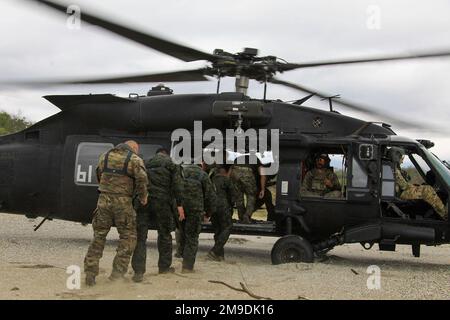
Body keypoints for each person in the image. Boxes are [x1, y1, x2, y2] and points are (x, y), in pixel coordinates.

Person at [84, 140, 148, 286]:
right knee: (128, 238)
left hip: (103, 200)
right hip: (123, 203)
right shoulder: (134, 159)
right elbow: (142, 179)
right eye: (136, 149)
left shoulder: (104, 157)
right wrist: (143, 197)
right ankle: (117, 275)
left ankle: (90, 273)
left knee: (98, 237)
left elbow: (99, 175)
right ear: (133, 148)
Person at [131, 148, 184, 282]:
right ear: (166, 154)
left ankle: (138, 272)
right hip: (162, 202)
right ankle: (164, 267)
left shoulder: (145, 162)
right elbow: (178, 186)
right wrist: (180, 206)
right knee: (165, 234)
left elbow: (137, 181)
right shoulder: (172, 164)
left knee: (140, 237)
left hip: (143, 201)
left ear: (156, 154)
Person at [390, 147, 448, 221]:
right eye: (402, 158)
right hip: (401, 194)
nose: (402, 161)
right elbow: (404, 186)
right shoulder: (394, 169)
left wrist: (416, 186)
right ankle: (445, 216)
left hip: (401, 192)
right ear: (397, 157)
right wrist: (418, 187)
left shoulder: (394, 168)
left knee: (424, 187)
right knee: (427, 190)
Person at [180, 161, 216, 273]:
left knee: (182, 234)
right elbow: (211, 196)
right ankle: (187, 267)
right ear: (201, 165)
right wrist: (209, 213)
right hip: (195, 211)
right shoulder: (203, 175)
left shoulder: (180, 172)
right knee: (192, 237)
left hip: (180, 209)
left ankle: (181, 255)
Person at [208, 165, 237, 261]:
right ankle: (215, 251)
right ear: (226, 171)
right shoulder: (226, 180)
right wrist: (231, 206)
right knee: (227, 227)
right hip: (223, 207)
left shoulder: (210, 181)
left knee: (218, 230)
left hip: (212, 207)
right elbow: (233, 196)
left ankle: (219, 255)